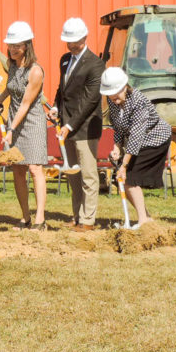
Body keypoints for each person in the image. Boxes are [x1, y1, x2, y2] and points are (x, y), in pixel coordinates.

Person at [48, 17, 105, 232]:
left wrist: (70, 125)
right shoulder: (65, 59)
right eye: (68, 42)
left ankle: (88, 220)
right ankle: (76, 216)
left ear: (85, 37)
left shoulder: (96, 64)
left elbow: (90, 100)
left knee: (88, 176)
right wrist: (55, 107)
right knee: (73, 175)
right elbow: (62, 89)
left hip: (85, 128)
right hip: (67, 126)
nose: (71, 46)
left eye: (75, 42)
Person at [0, 21, 48, 230]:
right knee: (18, 170)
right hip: (14, 119)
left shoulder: (35, 71)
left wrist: (10, 129)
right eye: (11, 44)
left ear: (27, 45)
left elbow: (26, 103)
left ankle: (40, 219)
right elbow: (10, 87)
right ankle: (25, 217)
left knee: (35, 168)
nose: (13, 48)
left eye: (18, 45)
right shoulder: (12, 66)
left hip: (31, 123)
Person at [101, 67, 172, 228]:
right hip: (138, 141)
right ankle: (145, 217)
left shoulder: (138, 101)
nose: (113, 97)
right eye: (110, 94)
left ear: (125, 86)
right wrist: (117, 147)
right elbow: (118, 127)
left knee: (129, 177)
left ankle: (143, 220)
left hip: (155, 140)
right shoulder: (114, 102)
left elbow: (135, 137)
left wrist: (124, 165)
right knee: (122, 179)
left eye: (116, 92)